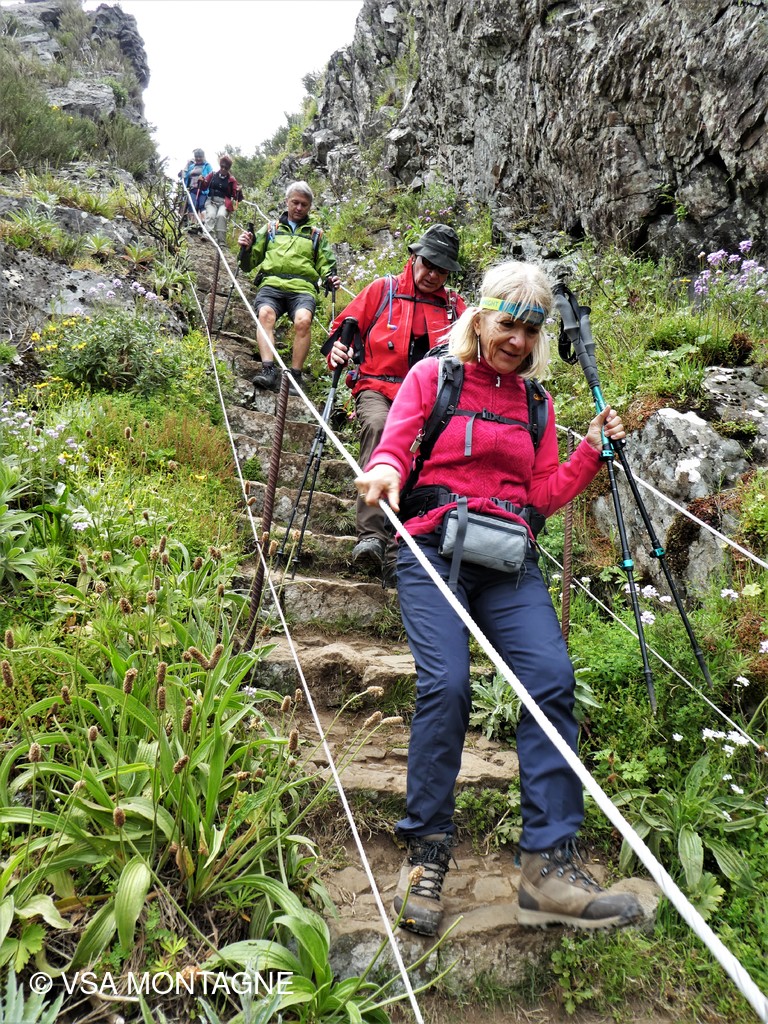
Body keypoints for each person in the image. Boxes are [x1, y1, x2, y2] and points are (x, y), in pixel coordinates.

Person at [354, 260, 644, 937]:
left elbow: (541, 494)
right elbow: (396, 446)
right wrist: (386, 471)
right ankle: (426, 854)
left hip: (509, 560)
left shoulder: (537, 405)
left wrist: (588, 452)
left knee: (551, 680)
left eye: (531, 330)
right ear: (479, 318)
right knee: (447, 684)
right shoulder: (434, 377)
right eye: (508, 324)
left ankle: (548, 869)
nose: (518, 340)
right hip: (433, 548)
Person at [326, 224, 466, 585]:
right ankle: (372, 535)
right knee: (380, 428)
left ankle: (398, 551)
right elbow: (341, 332)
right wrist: (337, 351)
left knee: (424, 459)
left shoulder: (455, 308)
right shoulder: (383, 290)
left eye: (442, 269)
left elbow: (473, 353)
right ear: (414, 257)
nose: (432, 274)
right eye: (428, 264)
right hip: (377, 386)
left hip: (430, 401)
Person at [237, 181, 340, 394]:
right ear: (287, 202)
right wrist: (245, 249)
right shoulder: (271, 229)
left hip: (302, 288)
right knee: (265, 315)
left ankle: (295, 376)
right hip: (271, 284)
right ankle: (268, 370)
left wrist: (330, 278)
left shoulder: (316, 235)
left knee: (303, 321)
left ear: (310, 206)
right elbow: (248, 264)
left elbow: (326, 264)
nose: (299, 208)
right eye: (295, 202)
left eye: (304, 204)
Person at [197, 154, 242, 244]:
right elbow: (204, 186)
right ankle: (207, 236)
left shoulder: (232, 180)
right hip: (211, 201)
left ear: (229, 168)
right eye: (222, 166)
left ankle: (221, 240)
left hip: (224, 203)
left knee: (221, 216)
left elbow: (236, 196)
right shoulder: (213, 175)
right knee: (211, 214)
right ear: (220, 165)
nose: (223, 169)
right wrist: (201, 181)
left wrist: (239, 191)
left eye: (226, 168)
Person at [179, 148, 212, 233]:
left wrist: (204, 180)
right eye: (196, 157)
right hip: (193, 189)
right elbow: (186, 175)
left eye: (200, 157)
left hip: (203, 190)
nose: (198, 158)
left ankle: (203, 224)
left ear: (203, 157)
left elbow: (211, 176)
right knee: (192, 205)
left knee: (201, 205)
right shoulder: (191, 166)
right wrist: (181, 175)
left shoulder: (207, 166)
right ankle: (192, 224)